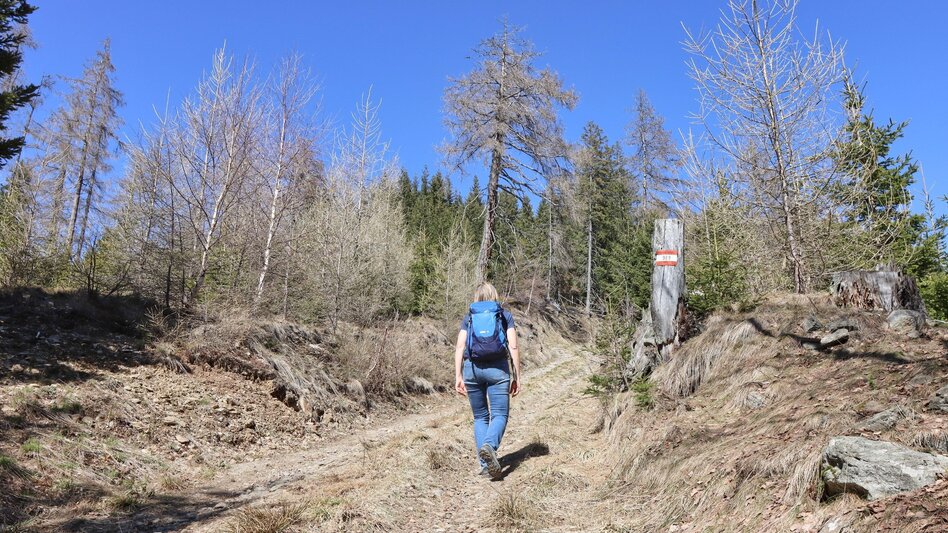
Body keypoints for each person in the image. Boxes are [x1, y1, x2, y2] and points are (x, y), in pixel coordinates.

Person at [454, 282, 521, 480]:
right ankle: (489, 446)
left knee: (480, 417)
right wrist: (517, 375)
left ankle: (485, 465)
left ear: (477, 297)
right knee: (500, 414)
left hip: (472, 370)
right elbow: (514, 346)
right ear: (494, 295)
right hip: (498, 370)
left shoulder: (469, 317)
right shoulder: (503, 315)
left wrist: (458, 375)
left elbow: (459, 346)